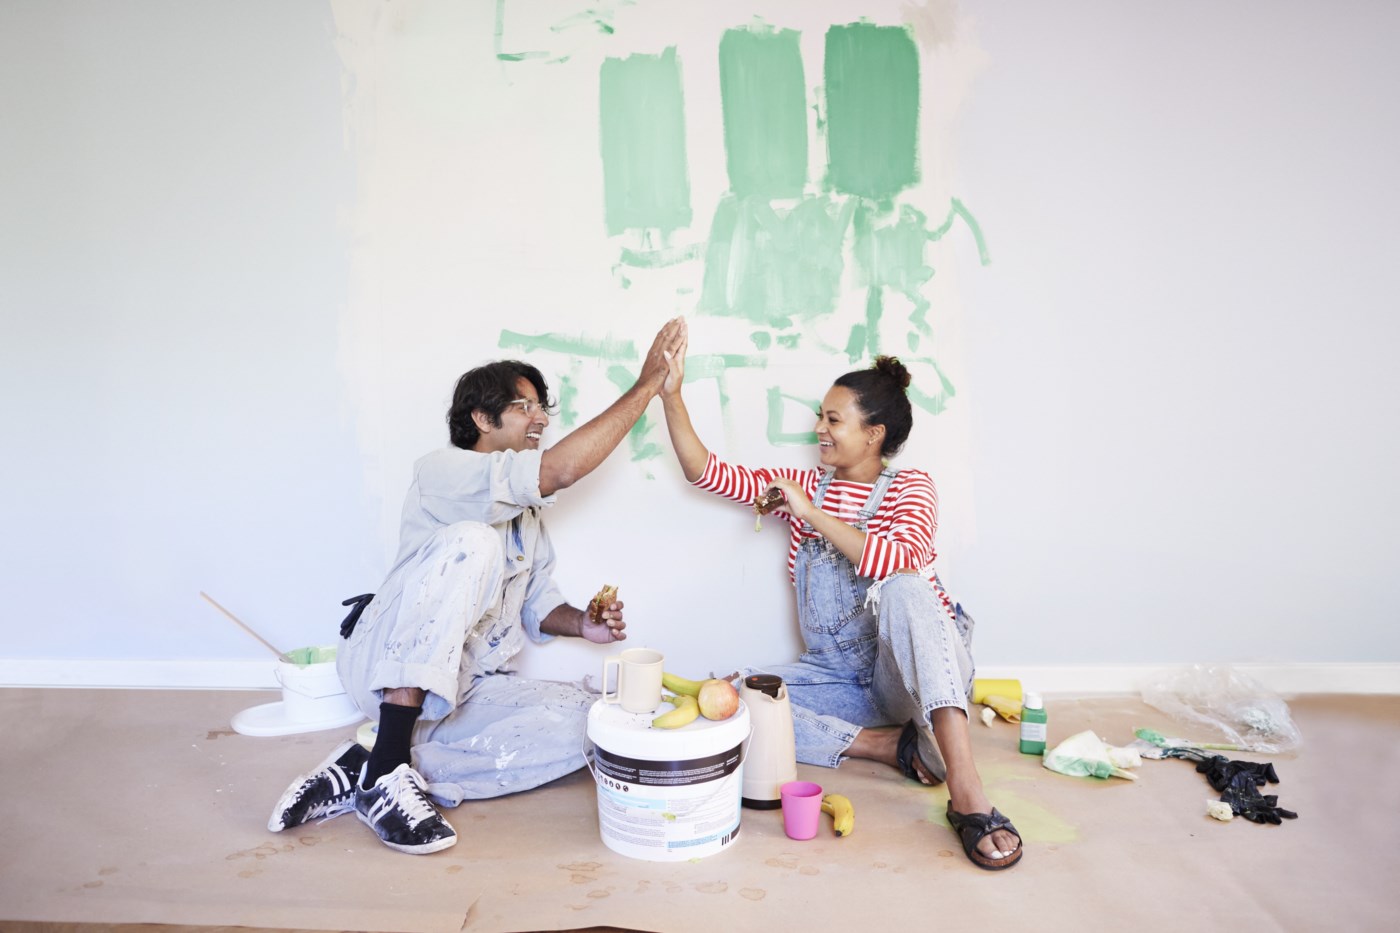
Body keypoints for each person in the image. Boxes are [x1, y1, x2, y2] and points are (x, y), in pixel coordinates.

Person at [268, 316, 688, 855]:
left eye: (543, 408)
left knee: (596, 726)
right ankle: (391, 760)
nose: (541, 418)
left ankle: (369, 767)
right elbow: (556, 472)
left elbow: (539, 604)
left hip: (468, 685)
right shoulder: (441, 471)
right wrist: (648, 383)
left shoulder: (525, 517)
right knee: (474, 541)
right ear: (481, 419)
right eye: (526, 406)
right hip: (382, 667)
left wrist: (582, 622)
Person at [658, 345, 1024, 871]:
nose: (819, 431)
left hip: (915, 676)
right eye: (819, 419)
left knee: (903, 586)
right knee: (736, 694)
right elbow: (706, 472)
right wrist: (671, 396)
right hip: (840, 679)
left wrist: (809, 513)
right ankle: (888, 747)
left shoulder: (911, 488)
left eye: (833, 420)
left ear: (874, 434)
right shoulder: (806, 485)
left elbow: (899, 557)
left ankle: (967, 793)